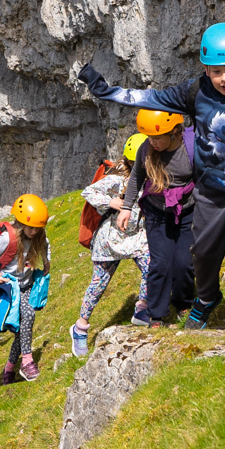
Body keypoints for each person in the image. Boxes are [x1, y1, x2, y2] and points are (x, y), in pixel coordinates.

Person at [78, 24, 225, 332]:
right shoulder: (195, 92)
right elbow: (149, 99)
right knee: (202, 253)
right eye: (217, 72)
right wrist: (106, 91)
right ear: (206, 69)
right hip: (211, 191)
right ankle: (206, 298)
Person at [71, 147, 149, 355]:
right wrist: (110, 202)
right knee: (99, 284)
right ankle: (80, 328)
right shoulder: (118, 178)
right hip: (110, 240)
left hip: (137, 237)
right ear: (131, 161)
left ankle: (142, 309)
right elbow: (88, 191)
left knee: (151, 267)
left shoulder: (152, 177)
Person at [124, 111, 196, 324]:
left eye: (158, 137)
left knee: (184, 262)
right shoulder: (146, 148)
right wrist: (126, 207)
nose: (153, 142)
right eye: (149, 137)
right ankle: (157, 314)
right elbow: (136, 177)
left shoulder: (191, 147)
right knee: (161, 263)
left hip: (188, 210)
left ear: (175, 131)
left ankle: (183, 303)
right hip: (156, 211)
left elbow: (204, 179)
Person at [0, 193, 52, 383]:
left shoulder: (39, 235)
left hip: (26, 285)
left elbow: (46, 245)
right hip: (8, 289)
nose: (34, 232)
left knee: (24, 326)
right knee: (28, 318)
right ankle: (26, 363)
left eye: (37, 228)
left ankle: (10, 369)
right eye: (31, 227)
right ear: (20, 222)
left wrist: (46, 261)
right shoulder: (7, 238)